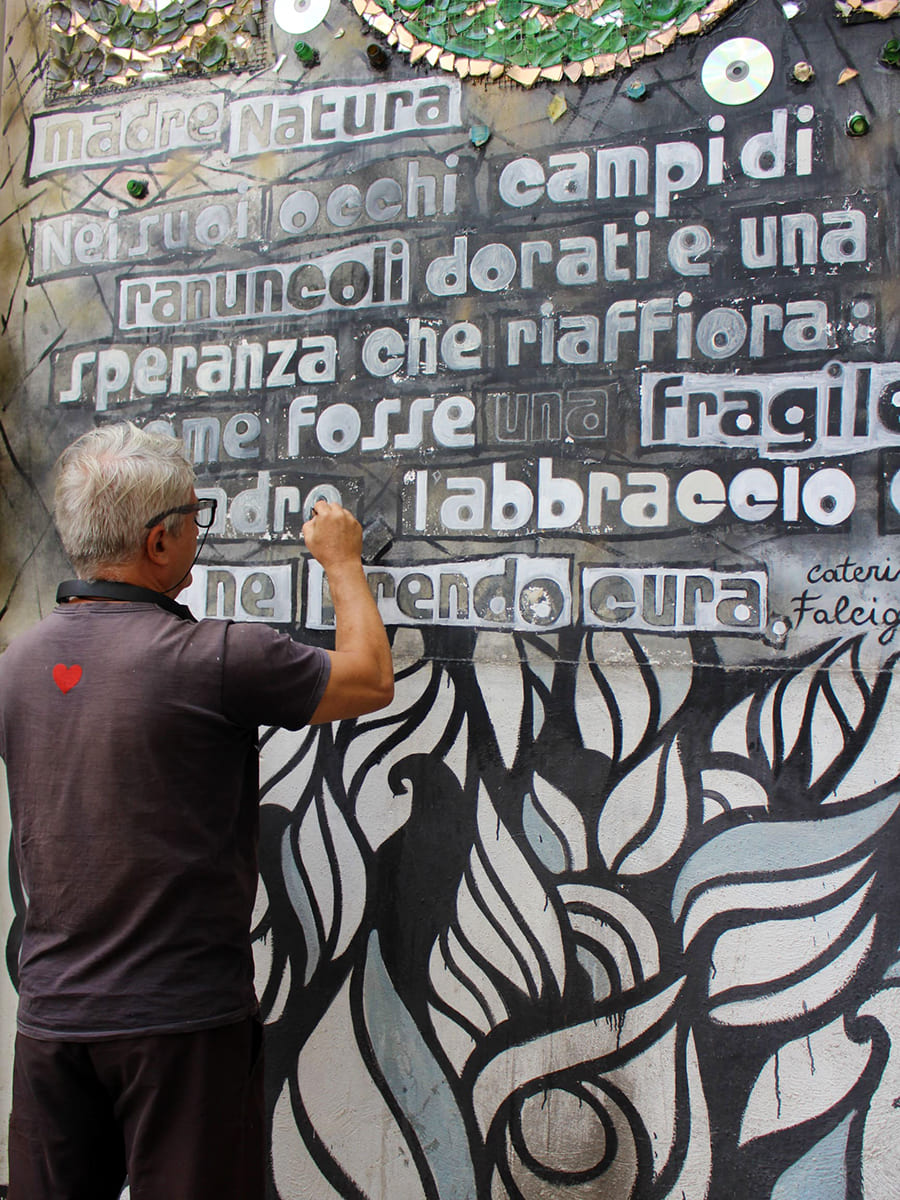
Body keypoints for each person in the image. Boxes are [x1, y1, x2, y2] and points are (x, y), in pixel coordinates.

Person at [0, 421, 394, 1200]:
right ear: (158, 543)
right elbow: (368, 677)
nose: (196, 534)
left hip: (50, 1027)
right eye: (192, 518)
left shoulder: (16, 665)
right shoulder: (213, 658)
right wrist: (343, 562)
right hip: (180, 1030)